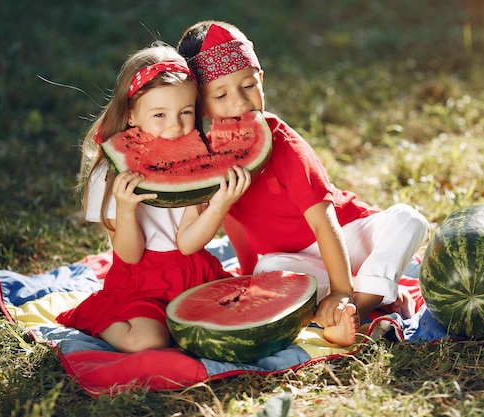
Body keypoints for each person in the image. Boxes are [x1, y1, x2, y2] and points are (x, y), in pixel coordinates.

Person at [176, 22, 430, 347]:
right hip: (296, 262)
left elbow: (324, 222)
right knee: (268, 268)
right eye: (221, 95)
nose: (240, 102)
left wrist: (340, 291)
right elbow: (234, 222)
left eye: (249, 85)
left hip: (349, 238)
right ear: (201, 104)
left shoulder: (283, 142)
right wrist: (249, 280)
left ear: (262, 80)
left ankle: (353, 307)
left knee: (408, 220)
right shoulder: (210, 161)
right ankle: (363, 300)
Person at [56, 41, 250, 353]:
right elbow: (129, 255)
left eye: (185, 112)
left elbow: (188, 243)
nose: (175, 126)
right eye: (159, 114)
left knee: (247, 317)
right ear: (131, 115)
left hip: (194, 274)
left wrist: (219, 205)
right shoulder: (108, 174)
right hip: (139, 286)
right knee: (149, 340)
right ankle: (98, 316)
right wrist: (126, 209)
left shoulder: (197, 160)